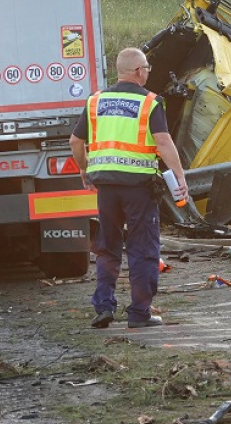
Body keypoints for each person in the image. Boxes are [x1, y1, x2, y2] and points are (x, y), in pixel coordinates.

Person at [70, 47, 188, 329]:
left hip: (106, 187)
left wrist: (85, 169)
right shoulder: (150, 103)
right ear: (138, 71)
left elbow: (75, 142)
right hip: (139, 189)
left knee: (107, 249)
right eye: (147, 67)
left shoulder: (95, 101)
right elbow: (162, 142)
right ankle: (139, 313)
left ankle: (104, 307)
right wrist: (180, 176)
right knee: (142, 249)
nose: (148, 72)